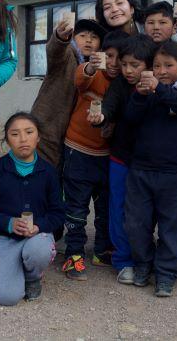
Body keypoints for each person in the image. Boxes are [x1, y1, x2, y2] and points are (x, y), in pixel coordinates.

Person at [123, 41, 177, 297]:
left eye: (168, 65)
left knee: (172, 227)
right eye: (156, 66)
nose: (162, 70)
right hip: (141, 171)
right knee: (136, 224)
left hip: (175, 174)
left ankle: (166, 274)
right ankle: (143, 264)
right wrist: (141, 95)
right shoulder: (143, 92)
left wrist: (159, 89)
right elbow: (130, 118)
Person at [0, 112, 65, 306]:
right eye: (15, 134)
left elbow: (58, 214)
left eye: (29, 132)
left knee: (39, 250)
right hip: (4, 238)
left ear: (38, 136)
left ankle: (32, 278)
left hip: (36, 237)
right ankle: (8, 268)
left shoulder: (48, 171)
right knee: (6, 298)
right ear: (7, 139)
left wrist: (39, 226)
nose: (23, 139)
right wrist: (8, 223)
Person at [61, 25, 118, 280]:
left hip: (107, 155)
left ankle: (101, 249)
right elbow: (80, 78)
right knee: (76, 206)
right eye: (111, 56)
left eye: (122, 58)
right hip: (78, 150)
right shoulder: (94, 73)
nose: (115, 63)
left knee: (105, 206)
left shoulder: (125, 83)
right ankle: (73, 254)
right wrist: (92, 67)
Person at [87, 31, 144, 284]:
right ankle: (123, 260)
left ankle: (145, 257)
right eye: (124, 64)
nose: (128, 70)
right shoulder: (120, 84)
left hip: (150, 162)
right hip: (120, 158)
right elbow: (109, 106)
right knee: (118, 209)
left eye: (135, 65)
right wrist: (102, 118)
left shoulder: (159, 84)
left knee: (143, 212)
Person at [31, 18, 107, 167]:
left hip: (70, 139)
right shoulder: (67, 56)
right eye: (83, 36)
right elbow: (55, 50)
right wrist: (59, 37)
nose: (89, 41)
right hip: (46, 130)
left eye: (94, 37)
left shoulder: (97, 67)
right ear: (73, 38)